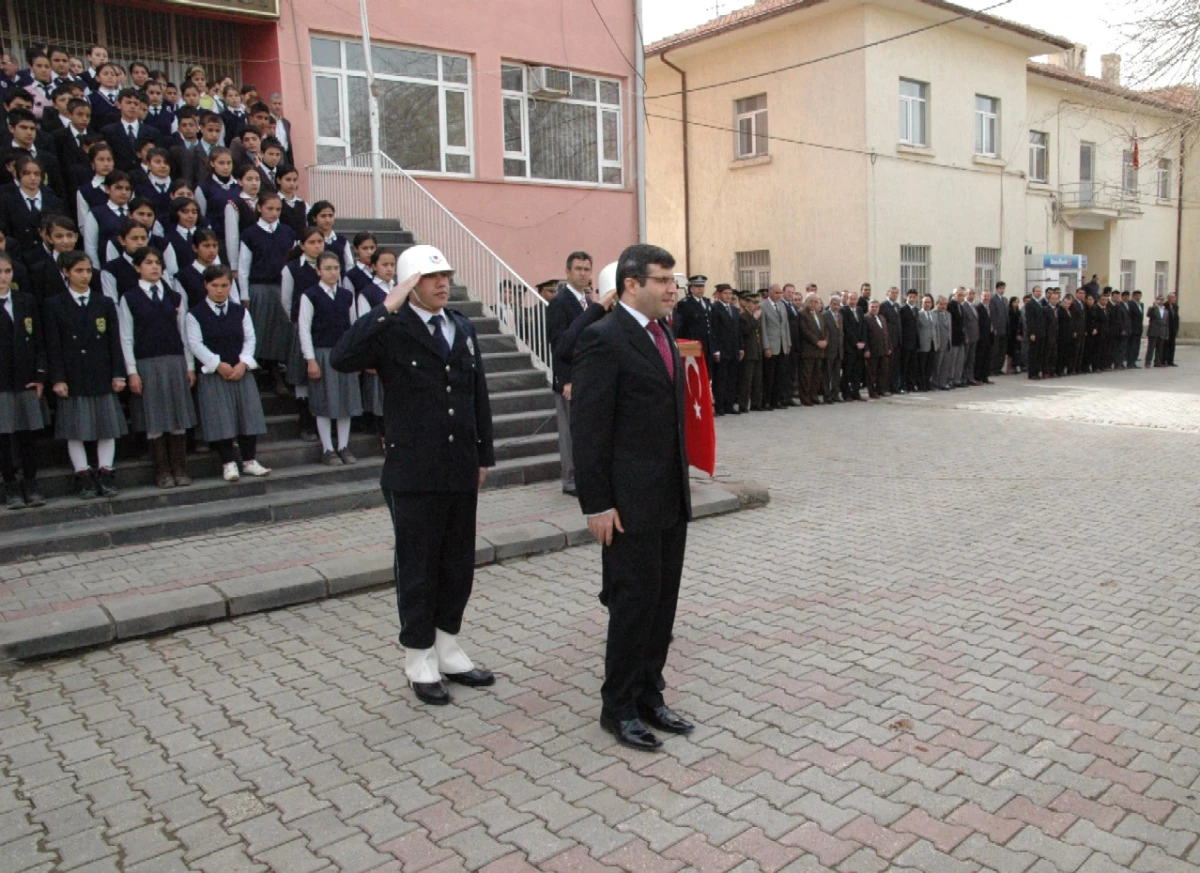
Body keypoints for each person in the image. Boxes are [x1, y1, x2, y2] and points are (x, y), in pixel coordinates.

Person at [330, 243, 495, 706]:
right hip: (413, 470)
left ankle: (448, 647)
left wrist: (484, 454)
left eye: (444, 275)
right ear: (408, 284)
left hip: (460, 464)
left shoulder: (460, 326)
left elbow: (476, 393)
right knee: (418, 566)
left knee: (457, 564)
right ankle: (418, 656)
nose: (442, 283)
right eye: (429, 277)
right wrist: (386, 305)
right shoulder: (392, 328)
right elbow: (342, 357)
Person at [570, 243, 692, 752]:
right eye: (662, 280)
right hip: (627, 505)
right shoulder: (604, 338)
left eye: (673, 280)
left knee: (662, 603)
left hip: (668, 497)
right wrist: (597, 505)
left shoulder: (661, 332)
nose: (672, 289)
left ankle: (649, 694)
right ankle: (617, 706)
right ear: (631, 285)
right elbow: (589, 429)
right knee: (631, 603)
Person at [45, 250, 126, 497]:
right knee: (75, 427)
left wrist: (118, 373)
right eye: (79, 271)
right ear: (66, 273)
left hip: (100, 371)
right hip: (73, 373)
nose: (85, 276)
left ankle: (105, 472)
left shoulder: (103, 303)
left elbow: (114, 341)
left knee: (106, 426)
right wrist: (58, 378)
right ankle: (83, 474)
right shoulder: (54, 304)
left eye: (88, 270)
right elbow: (53, 345)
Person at [117, 247, 197, 487]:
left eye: (157, 263)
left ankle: (180, 469)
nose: (154, 267)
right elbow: (126, 337)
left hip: (174, 361)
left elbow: (184, 333)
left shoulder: (174, 297)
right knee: (154, 417)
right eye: (148, 263)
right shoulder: (129, 298)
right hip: (147, 363)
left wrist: (189, 365)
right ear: (137, 267)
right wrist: (132, 371)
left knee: (177, 416)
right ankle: (162, 471)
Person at [185, 264, 270, 482]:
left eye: (225, 285)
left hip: (240, 371)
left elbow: (250, 338)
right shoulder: (195, 314)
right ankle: (228, 463)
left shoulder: (240, 311)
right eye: (215, 285)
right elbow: (195, 344)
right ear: (206, 285)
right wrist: (217, 363)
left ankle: (249, 461)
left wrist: (243, 363)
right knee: (220, 419)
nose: (220, 290)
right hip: (215, 373)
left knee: (247, 416)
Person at [299, 251, 361, 466]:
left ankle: (343, 446)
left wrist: (355, 354)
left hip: (343, 353)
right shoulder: (310, 295)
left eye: (336, 268)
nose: (333, 272)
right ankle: (327, 448)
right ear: (318, 271)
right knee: (325, 400)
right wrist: (310, 359)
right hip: (322, 353)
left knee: (346, 400)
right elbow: (304, 330)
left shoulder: (346, 295)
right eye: (328, 268)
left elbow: (353, 326)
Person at [237, 190, 295, 395]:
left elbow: (292, 262)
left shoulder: (287, 232)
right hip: (260, 287)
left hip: (282, 286)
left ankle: (277, 369)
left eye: (278, 209)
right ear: (259, 208)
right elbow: (243, 267)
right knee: (261, 328)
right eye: (270, 208)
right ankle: (263, 368)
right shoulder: (250, 234)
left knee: (280, 329)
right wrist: (244, 295)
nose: (274, 213)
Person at [0, 251, 46, 508]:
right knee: (4, 436)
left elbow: (39, 340)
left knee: (28, 435)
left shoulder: (25, 301)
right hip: (1, 382)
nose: (3, 277)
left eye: (7, 271)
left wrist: (40, 375)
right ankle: (10, 484)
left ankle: (31, 481)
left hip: (26, 378)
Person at [546, 250, 591, 496]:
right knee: (570, 433)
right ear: (568, 271)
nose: (582, 273)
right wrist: (566, 380)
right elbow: (558, 345)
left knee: (585, 431)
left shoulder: (591, 304)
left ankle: (586, 474)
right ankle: (570, 479)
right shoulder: (559, 303)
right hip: (570, 380)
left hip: (590, 378)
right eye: (578, 269)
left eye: (586, 269)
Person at [673, 274, 715, 378]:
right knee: (694, 374)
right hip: (693, 344)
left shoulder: (707, 302)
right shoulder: (685, 304)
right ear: (691, 288)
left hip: (708, 345)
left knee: (707, 373)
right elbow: (682, 327)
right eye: (697, 287)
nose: (700, 289)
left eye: (702, 287)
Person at [708, 283, 739, 415]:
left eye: (730, 293)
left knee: (732, 379)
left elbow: (737, 331)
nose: (728, 296)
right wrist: (716, 350)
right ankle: (719, 406)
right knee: (720, 379)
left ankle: (729, 405)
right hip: (722, 349)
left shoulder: (734, 309)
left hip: (733, 349)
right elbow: (713, 331)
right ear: (719, 294)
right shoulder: (715, 309)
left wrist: (741, 348)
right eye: (725, 293)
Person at [759, 284, 790, 410]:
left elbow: (785, 325)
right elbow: (763, 328)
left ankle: (776, 400)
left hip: (782, 345)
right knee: (769, 376)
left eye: (780, 293)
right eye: (776, 293)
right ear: (770, 292)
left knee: (780, 375)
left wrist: (788, 343)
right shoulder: (763, 306)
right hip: (771, 346)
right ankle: (766, 401)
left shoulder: (782, 305)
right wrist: (766, 346)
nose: (779, 295)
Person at [795, 291, 825, 406]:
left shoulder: (819, 314)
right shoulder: (802, 314)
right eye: (811, 301)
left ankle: (814, 396)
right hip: (808, 350)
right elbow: (805, 331)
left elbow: (825, 330)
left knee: (816, 375)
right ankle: (805, 398)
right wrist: (817, 341)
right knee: (806, 376)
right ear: (806, 302)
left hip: (819, 350)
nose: (813, 303)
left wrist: (825, 340)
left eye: (815, 301)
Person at [737, 291, 763, 412]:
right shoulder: (743, 316)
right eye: (753, 303)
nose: (756, 306)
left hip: (757, 351)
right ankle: (743, 404)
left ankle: (756, 403)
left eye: (757, 303)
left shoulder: (755, 315)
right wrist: (754, 318)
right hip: (748, 352)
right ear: (747, 303)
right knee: (746, 381)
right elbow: (746, 330)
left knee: (757, 380)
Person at [841, 290, 865, 401]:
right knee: (848, 371)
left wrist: (863, 342)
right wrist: (856, 343)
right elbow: (847, 329)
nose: (853, 301)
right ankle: (846, 394)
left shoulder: (860, 310)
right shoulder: (844, 311)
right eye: (851, 299)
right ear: (847, 299)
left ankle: (856, 392)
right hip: (849, 347)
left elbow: (863, 327)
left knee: (857, 371)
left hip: (860, 347)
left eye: (855, 299)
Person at [863, 299, 890, 398]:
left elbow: (886, 333)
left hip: (883, 349)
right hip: (872, 350)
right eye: (872, 307)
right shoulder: (866, 318)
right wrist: (866, 349)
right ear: (868, 307)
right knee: (871, 372)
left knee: (883, 370)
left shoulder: (882, 318)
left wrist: (888, 347)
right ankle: (872, 391)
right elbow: (864, 335)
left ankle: (880, 389)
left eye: (876, 307)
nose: (874, 308)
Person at [879, 287, 903, 393]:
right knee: (887, 365)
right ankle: (885, 387)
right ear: (887, 293)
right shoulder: (883, 306)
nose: (894, 295)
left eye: (896, 293)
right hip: (889, 340)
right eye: (892, 293)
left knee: (896, 366)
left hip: (897, 340)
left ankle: (894, 386)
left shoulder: (897, 306)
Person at [821, 294, 844, 403]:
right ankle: (827, 395)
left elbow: (841, 333)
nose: (836, 307)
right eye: (834, 304)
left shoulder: (840, 316)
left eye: (838, 305)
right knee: (827, 374)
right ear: (830, 304)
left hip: (839, 349)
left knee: (836, 374)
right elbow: (824, 332)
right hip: (829, 349)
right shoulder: (825, 315)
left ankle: (835, 394)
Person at [915, 292, 937, 391]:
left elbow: (935, 329)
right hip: (923, 343)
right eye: (925, 302)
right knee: (922, 366)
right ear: (922, 303)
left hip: (932, 343)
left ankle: (928, 383)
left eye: (929, 302)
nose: (927, 304)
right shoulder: (919, 314)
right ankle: (921, 384)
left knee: (930, 365)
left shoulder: (933, 314)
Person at [1024, 286, 1046, 379]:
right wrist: (1032, 333)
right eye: (1037, 291)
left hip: (1041, 332)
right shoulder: (1030, 304)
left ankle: (1037, 371)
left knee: (1039, 353)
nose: (1039, 293)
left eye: (1040, 291)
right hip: (1034, 333)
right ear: (1033, 292)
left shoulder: (1040, 303)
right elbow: (1030, 320)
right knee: (1033, 353)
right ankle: (1032, 373)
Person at [899, 289, 919, 392]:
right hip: (906, 342)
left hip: (914, 342)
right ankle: (902, 385)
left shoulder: (916, 310)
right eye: (910, 297)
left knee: (913, 365)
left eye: (914, 297)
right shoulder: (903, 309)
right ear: (906, 297)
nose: (912, 299)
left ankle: (911, 384)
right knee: (904, 365)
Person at [988, 281, 1008, 375]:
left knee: (1002, 349)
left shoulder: (1005, 299)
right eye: (1000, 288)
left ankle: (999, 367)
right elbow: (993, 314)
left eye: (1003, 288)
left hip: (1004, 328)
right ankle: (993, 368)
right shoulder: (993, 299)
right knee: (995, 349)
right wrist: (994, 327)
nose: (1002, 290)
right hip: (997, 328)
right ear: (997, 289)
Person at [934, 296, 953, 389]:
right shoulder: (934, 314)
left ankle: (943, 382)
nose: (943, 306)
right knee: (937, 365)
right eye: (941, 304)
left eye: (945, 304)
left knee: (945, 365)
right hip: (939, 344)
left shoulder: (948, 314)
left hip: (948, 344)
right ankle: (935, 383)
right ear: (937, 304)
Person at [975, 290, 993, 385]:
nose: (986, 298)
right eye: (985, 296)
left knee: (987, 357)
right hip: (981, 336)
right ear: (981, 297)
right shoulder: (978, 307)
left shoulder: (990, 307)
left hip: (989, 336)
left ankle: (985, 376)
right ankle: (978, 377)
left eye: (988, 296)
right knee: (980, 358)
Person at [1146, 297, 1168, 367]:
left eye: (1162, 300)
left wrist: (1166, 333)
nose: (1161, 301)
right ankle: (1148, 362)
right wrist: (1153, 307)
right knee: (1151, 348)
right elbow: (1149, 315)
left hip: (1162, 331)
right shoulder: (1153, 308)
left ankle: (1157, 361)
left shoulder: (1166, 311)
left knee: (1160, 348)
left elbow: (1166, 323)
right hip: (1153, 330)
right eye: (1159, 299)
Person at [1127, 290, 1144, 368]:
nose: (1139, 297)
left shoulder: (1140, 304)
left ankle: (1133, 361)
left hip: (1139, 328)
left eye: (1140, 296)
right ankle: (1130, 362)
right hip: (1133, 328)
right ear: (1133, 296)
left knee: (1137, 346)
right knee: (1132, 346)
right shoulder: (1130, 304)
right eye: (1137, 296)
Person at [1164, 292, 1179, 366]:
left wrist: (1176, 328)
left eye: (1174, 297)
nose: (1173, 299)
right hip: (1167, 329)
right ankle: (1164, 360)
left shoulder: (1175, 306)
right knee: (1166, 345)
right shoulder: (1165, 306)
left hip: (1173, 329)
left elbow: (1176, 318)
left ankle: (1171, 361)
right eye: (1171, 297)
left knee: (1172, 345)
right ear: (1168, 298)